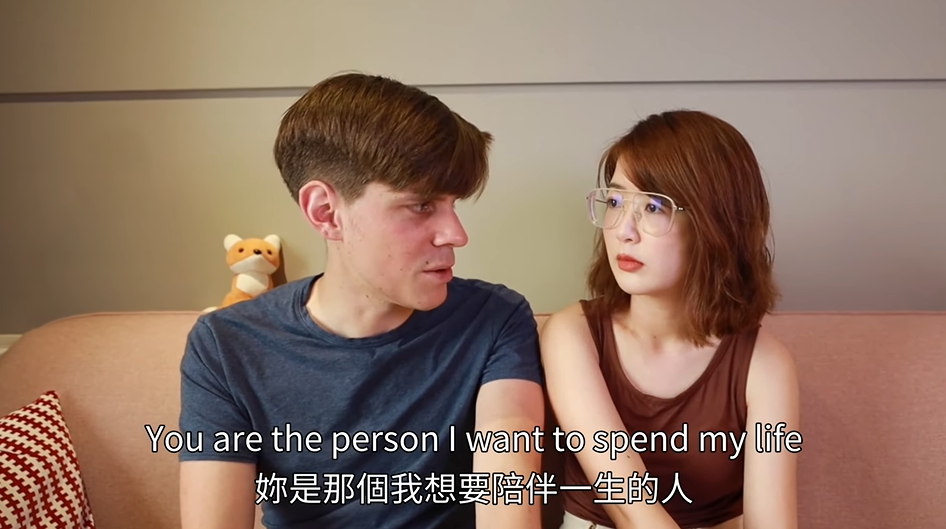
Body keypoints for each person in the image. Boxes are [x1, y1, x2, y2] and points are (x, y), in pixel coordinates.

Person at [177, 73, 546, 529]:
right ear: (325, 212)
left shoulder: (494, 320)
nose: (456, 234)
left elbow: (509, 501)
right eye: (422, 205)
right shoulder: (225, 346)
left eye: (454, 204)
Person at [540, 110, 799, 529]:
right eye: (616, 202)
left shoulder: (765, 365)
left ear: (715, 224)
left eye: (653, 206)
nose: (624, 230)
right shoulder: (573, 335)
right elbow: (628, 504)